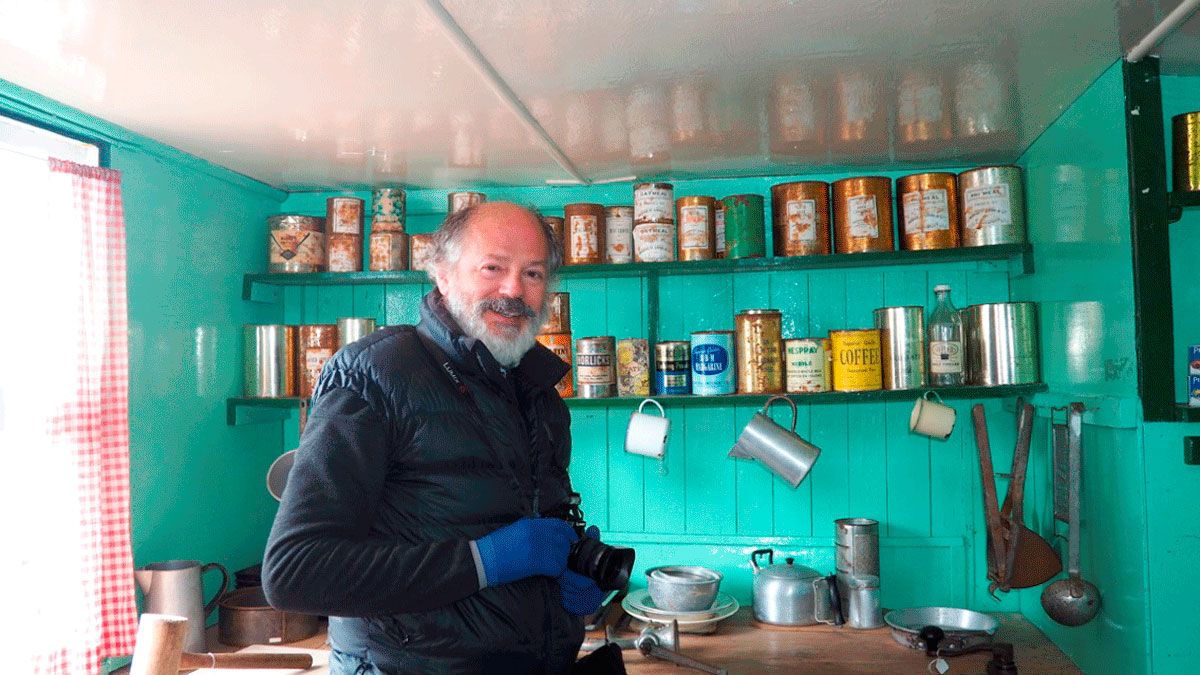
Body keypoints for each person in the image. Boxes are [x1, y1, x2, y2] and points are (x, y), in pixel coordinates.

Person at [263, 202, 607, 673]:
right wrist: (484, 561)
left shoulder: (539, 391)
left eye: (533, 273)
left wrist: (571, 575)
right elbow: (294, 573)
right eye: (493, 267)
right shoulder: (375, 374)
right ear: (442, 274)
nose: (514, 290)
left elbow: (519, 524)